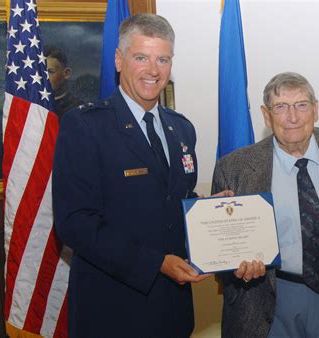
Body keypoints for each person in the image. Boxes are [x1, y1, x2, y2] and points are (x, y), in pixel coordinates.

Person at [53, 14, 230, 337]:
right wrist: (156, 263)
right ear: (119, 60)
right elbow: (75, 222)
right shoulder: (86, 126)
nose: (153, 70)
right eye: (141, 58)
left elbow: (173, 200)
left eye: (162, 59)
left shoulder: (181, 128)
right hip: (112, 311)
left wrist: (208, 211)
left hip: (172, 311)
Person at [212, 72, 319, 338]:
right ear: (266, 114)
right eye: (281, 107)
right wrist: (234, 263)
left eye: (301, 105)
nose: (292, 117)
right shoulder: (235, 168)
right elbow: (222, 253)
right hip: (267, 300)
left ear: (315, 109)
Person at [45, 46, 83, 119]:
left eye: (50, 72)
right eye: (40, 72)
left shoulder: (77, 109)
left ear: (66, 73)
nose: (44, 77)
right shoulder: (31, 105)